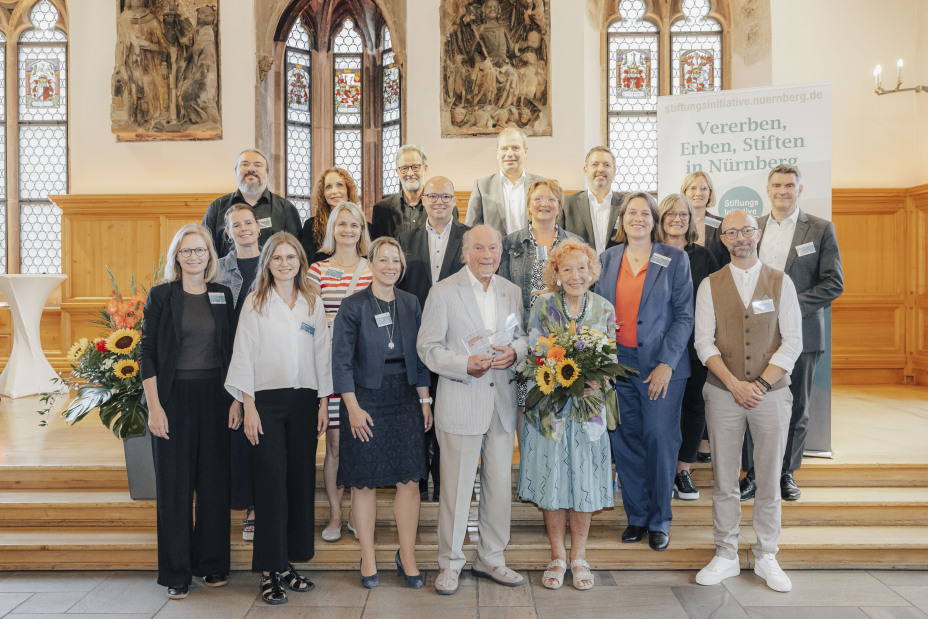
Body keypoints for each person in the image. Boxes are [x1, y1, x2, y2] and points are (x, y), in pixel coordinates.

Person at [694, 210, 802, 593]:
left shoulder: (781, 281)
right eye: (732, 232)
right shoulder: (709, 285)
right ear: (723, 238)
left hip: (772, 393)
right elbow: (703, 342)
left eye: (746, 230)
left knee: (769, 477)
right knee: (724, 477)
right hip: (722, 392)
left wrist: (760, 383)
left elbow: (793, 341)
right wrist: (734, 383)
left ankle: (767, 554)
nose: (740, 237)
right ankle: (725, 553)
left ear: (757, 233)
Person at [416, 225, 528, 595]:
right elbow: (428, 348)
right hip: (462, 400)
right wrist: (464, 364)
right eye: (479, 248)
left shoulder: (511, 291)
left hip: (501, 405)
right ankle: (449, 563)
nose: (487, 255)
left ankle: (491, 558)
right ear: (465, 252)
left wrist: (516, 352)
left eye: (493, 248)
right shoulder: (443, 291)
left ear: (501, 252)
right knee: (456, 489)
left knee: (498, 488)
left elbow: (522, 337)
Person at [224, 232, 332, 605]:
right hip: (265, 403)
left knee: (299, 482)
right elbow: (243, 354)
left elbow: (322, 353)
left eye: (291, 257)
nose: (284, 264)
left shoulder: (312, 301)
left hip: (304, 402)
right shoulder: (255, 301)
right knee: (271, 483)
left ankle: (287, 563)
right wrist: (248, 406)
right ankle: (269, 570)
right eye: (277, 258)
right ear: (267, 263)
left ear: (301, 261)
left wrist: (323, 402)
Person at [594, 192, 694, 551]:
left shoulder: (675, 258)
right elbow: (595, 311)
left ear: (654, 220)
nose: (638, 218)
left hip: (660, 365)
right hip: (617, 364)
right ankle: (636, 516)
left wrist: (667, 363)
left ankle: (659, 520)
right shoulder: (606, 259)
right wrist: (600, 362)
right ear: (621, 219)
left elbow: (684, 316)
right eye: (631, 213)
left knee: (659, 440)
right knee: (625, 440)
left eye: (644, 213)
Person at [332, 237, 434, 589]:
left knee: (409, 481)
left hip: (405, 398)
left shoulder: (410, 302)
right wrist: (352, 408)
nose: (390, 266)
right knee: (364, 482)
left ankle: (407, 555)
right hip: (365, 401)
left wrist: (425, 401)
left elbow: (420, 356)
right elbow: (341, 362)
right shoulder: (353, 305)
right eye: (384, 259)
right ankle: (368, 557)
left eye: (396, 260)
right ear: (371, 263)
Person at [140, 223, 235, 600]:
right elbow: (147, 352)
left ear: (210, 255)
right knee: (175, 487)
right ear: (176, 257)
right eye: (186, 251)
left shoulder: (222, 294)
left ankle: (212, 563)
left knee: (214, 485)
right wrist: (155, 407)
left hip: (216, 398)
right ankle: (176, 572)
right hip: (173, 398)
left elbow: (233, 352)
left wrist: (236, 400)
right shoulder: (162, 295)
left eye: (200, 250)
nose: (194, 257)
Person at [741, 164, 844, 501]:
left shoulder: (820, 229)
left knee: (796, 406)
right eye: (776, 185)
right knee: (755, 404)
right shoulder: (752, 228)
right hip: (755, 335)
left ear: (799, 190)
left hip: (803, 332)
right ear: (768, 190)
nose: (782, 191)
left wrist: (788, 306)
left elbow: (833, 283)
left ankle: (786, 473)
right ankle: (753, 473)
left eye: (789, 185)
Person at [518, 240, 616, 591]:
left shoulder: (604, 307)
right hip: (551, 410)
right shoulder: (543, 304)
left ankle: (579, 556)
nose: (576, 275)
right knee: (553, 480)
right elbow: (534, 352)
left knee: (584, 480)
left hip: (588, 412)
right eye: (567, 269)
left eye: (582, 268)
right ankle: (558, 555)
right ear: (556, 274)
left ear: (592, 272)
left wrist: (598, 381)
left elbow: (611, 357)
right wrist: (554, 374)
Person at [398, 176, 470, 503]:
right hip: (415, 341)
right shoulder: (404, 239)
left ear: (455, 201)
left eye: (446, 196)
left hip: (456, 343)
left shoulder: (469, 238)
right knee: (417, 414)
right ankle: (417, 481)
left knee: (448, 416)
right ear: (423, 200)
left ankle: (444, 485)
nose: (439, 201)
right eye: (433, 196)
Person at [308, 202, 373, 541]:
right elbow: (308, 318)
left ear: (362, 230)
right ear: (332, 229)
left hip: (365, 368)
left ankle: (355, 513)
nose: (348, 230)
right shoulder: (316, 271)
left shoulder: (374, 268)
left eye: (354, 225)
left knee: (359, 442)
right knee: (334, 444)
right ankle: (335, 514)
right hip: (330, 366)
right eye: (342, 224)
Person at [657, 194, 720, 501]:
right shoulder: (650, 252)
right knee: (663, 410)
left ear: (691, 219)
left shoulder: (704, 256)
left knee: (694, 407)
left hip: (695, 345)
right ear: (660, 218)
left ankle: (682, 470)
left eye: (683, 214)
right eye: (670, 213)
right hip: (659, 347)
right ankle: (662, 469)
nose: (677, 219)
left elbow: (716, 299)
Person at [215, 204, 262, 541]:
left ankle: (257, 507)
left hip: (266, 362)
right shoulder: (216, 269)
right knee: (233, 437)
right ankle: (240, 501)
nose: (244, 228)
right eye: (236, 225)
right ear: (228, 232)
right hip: (225, 361)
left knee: (259, 436)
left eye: (248, 222)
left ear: (258, 227)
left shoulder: (274, 263)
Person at [499, 178, 581, 327]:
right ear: (529, 205)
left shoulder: (576, 243)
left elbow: (583, 289)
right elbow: (502, 291)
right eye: (538, 199)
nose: (544, 204)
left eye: (551, 199)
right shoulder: (510, 243)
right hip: (522, 326)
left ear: (559, 207)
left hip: (564, 326)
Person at [202, 148, 302, 256]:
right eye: (245, 164)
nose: (251, 169)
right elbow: (204, 249)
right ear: (235, 171)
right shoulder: (217, 208)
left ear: (267, 172)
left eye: (258, 165)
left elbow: (296, 253)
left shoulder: (286, 209)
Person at [465, 127, 543, 238]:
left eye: (515, 148)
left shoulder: (541, 184)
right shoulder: (482, 186)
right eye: (504, 148)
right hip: (495, 249)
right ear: (497, 153)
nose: (509, 153)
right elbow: (471, 231)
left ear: (525, 152)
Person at [370, 145, 460, 240]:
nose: (410, 173)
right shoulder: (381, 209)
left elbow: (453, 243)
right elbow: (377, 246)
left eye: (415, 167)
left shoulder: (445, 207)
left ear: (425, 168)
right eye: (404, 168)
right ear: (397, 172)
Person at [558, 146, 628, 255]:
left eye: (607, 165)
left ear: (614, 171)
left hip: (618, 265)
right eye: (595, 164)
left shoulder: (627, 203)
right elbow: (558, 244)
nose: (600, 169)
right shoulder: (566, 204)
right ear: (585, 169)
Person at [298, 167, 360, 263]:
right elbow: (307, 263)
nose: (334, 191)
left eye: (340, 185)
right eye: (328, 187)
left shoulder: (364, 226)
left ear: (348, 190)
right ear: (323, 193)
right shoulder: (311, 226)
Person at [681, 171, 728, 269]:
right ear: (684, 193)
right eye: (692, 188)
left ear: (710, 193)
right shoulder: (674, 224)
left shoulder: (722, 225)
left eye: (703, 188)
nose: (698, 193)